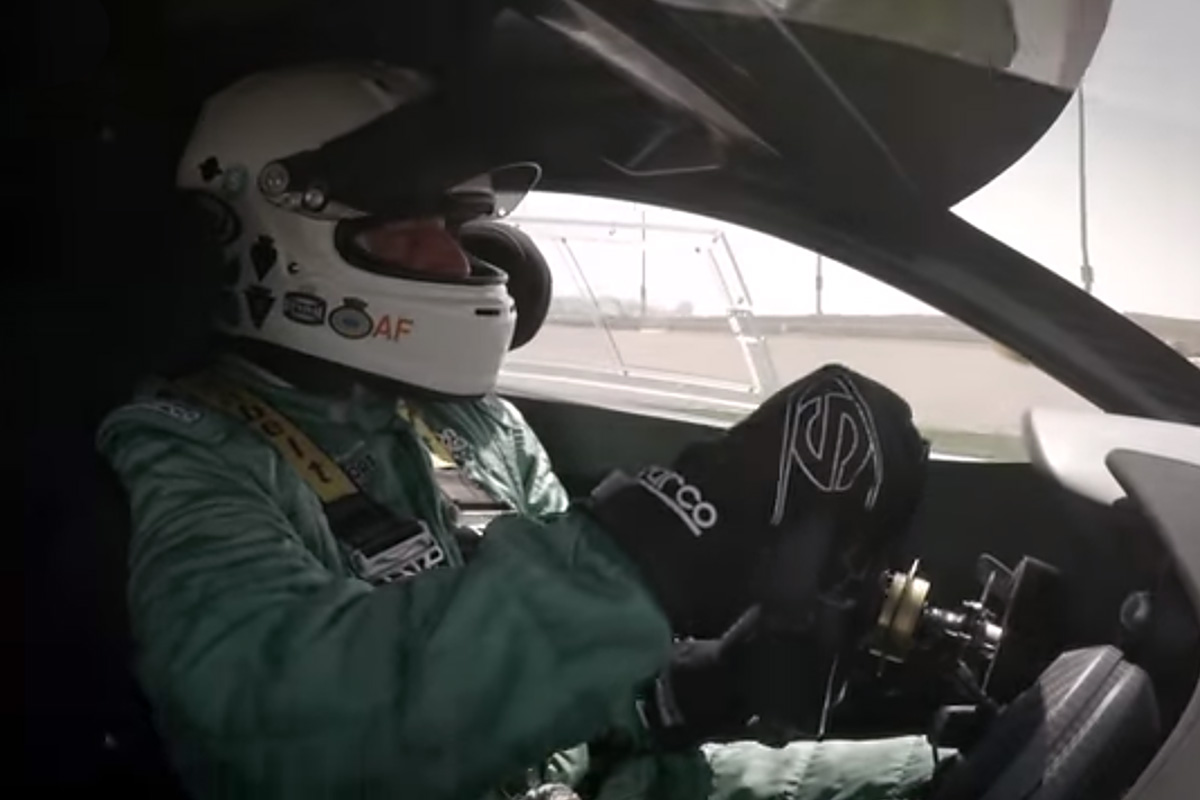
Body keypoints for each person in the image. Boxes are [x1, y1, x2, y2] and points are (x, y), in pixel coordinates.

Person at [98, 62, 937, 800]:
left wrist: (705, 684)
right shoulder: (188, 450)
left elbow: (572, 699)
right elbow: (294, 738)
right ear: (257, 245)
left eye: (453, 228)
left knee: (955, 772)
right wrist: (666, 535)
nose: (456, 262)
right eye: (405, 230)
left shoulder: (474, 423)